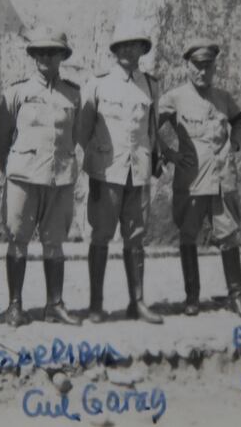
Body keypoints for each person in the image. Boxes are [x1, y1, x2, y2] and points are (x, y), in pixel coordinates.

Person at [157, 40, 241, 319]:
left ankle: (236, 297)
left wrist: (234, 144)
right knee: (188, 235)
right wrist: (168, 152)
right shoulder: (174, 97)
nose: (202, 71)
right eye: (197, 66)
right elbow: (150, 126)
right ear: (187, 66)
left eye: (207, 65)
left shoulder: (223, 97)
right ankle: (192, 298)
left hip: (222, 178)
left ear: (214, 67)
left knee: (229, 235)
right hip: (192, 179)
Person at [0, 30, 82, 327]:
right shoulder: (16, 92)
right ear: (33, 57)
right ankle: (15, 305)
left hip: (59, 178)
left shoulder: (73, 94)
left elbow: (78, 134)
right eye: (41, 52)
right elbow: (1, 136)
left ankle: (54, 304)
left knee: (54, 243)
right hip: (24, 177)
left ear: (62, 57)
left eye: (53, 52)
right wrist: (12, 168)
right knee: (18, 240)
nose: (46, 57)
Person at [78, 27, 164, 325]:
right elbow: (82, 131)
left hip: (138, 173)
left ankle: (136, 302)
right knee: (100, 236)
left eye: (135, 46)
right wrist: (91, 167)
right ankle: (96, 304)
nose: (129, 52)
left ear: (143, 50)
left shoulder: (150, 86)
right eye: (123, 47)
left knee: (136, 239)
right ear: (115, 51)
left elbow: (152, 130)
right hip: (107, 172)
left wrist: (155, 160)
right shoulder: (98, 85)